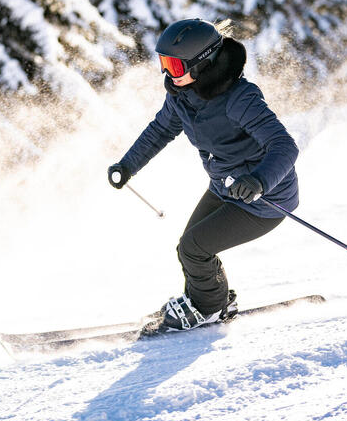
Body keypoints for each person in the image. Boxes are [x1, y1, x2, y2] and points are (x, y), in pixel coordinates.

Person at [108, 18, 299, 333]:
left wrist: (259, 180)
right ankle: (217, 300)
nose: (168, 73)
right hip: (225, 187)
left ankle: (206, 308)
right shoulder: (181, 96)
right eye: (164, 64)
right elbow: (159, 131)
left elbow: (284, 145)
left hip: (265, 198)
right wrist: (128, 165)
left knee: (194, 247)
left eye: (176, 66)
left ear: (203, 63)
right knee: (190, 246)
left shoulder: (240, 98)